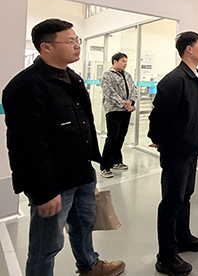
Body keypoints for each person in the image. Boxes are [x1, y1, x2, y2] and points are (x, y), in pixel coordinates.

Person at [2, 19, 125, 276]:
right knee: (46, 245)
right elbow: (26, 146)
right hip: (54, 182)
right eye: (70, 41)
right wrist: (44, 192)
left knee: (84, 226)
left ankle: (90, 266)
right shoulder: (26, 86)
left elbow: (83, 125)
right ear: (45, 47)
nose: (77, 45)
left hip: (82, 174)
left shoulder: (73, 79)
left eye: (77, 40)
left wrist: (92, 166)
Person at [148, 31, 198, 276]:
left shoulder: (195, 77)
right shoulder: (175, 80)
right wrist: (159, 139)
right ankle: (165, 256)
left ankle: (182, 237)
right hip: (176, 150)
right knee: (172, 201)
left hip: (190, 147)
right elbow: (158, 116)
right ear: (189, 49)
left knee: (185, 196)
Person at [99, 52, 138, 178]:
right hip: (114, 110)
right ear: (115, 62)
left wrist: (131, 102)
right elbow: (109, 92)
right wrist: (123, 104)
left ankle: (116, 161)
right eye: (123, 61)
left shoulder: (127, 75)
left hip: (126, 111)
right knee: (112, 137)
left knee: (121, 136)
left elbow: (134, 89)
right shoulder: (107, 75)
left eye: (126, 61)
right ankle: (105, 166)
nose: (125, 64)